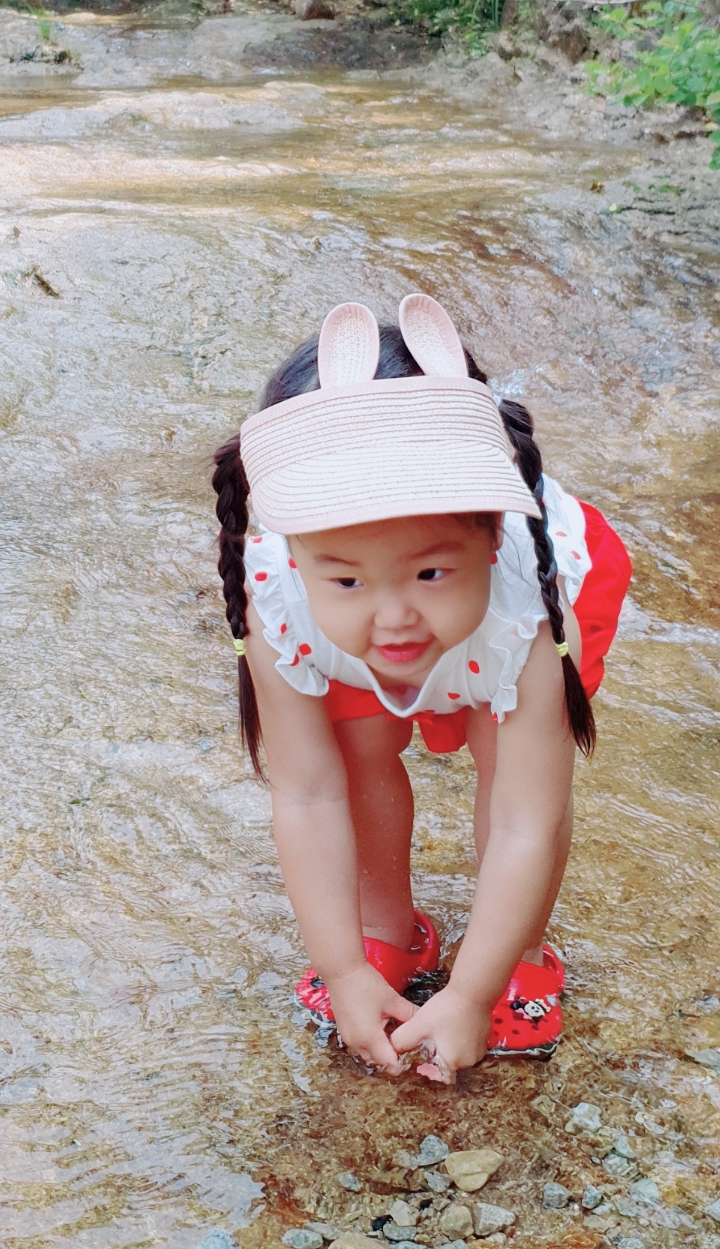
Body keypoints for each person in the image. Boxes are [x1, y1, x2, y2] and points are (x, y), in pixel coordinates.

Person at [211, 294, 631, 1084]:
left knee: (510, 768)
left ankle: (517, 953)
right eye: (346, 578)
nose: (394, 617)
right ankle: (384, 931)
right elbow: (308, 797)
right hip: (365, 635)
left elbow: (527, 819)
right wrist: (342, 970)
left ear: (494, 532)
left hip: (500, 631)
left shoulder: (531, 609)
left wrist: (470, 995)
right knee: (356, 748)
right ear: (294, 553)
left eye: (429, 572)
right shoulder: (280, 605)